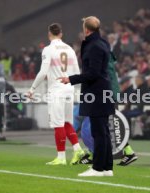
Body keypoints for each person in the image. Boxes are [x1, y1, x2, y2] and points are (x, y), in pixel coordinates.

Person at [59, 16, 115, 177]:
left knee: (99, 132)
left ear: (86, 29)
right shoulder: (103, 43)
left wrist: (71, 79)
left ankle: (97, 168)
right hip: (102, 90)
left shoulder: (94, 46)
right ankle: (107, 168)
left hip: (96, 93)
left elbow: (93, 73)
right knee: (103, 132)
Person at [28, 23, 84, 166]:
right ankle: (78, 150)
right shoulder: (70, 49)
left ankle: (61, 157)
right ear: (61, 34)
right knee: (66, 123)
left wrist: (32, 88)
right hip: (69, 89)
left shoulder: (48, 49)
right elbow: (77, 72)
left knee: (58, 124)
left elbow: (43, 72)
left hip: (57, 90)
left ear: (49, 34)